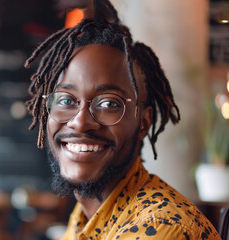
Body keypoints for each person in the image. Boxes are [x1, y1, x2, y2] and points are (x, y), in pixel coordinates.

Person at [24, 0, 221, 239]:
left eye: (109, 103)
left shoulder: (161, 228)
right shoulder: (85, 215)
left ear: (143, 122)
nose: (80, 122)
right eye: (66, 100)